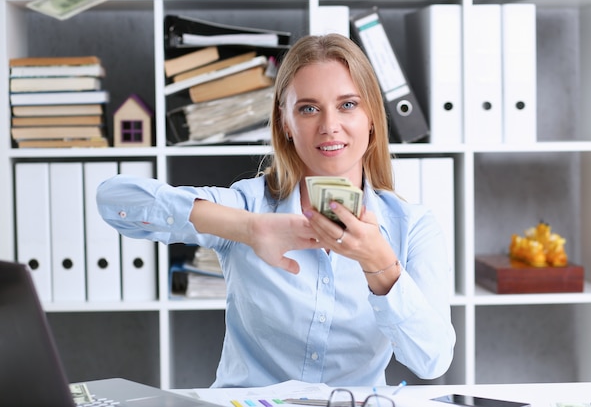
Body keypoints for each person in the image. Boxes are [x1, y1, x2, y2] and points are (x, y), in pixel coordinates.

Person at [97, 33, 455, 388]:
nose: (330, 126)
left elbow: (432, 360)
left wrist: (381, 267)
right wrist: (249, 228)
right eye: (309, 108)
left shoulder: (412, 227)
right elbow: (115, 200)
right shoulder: (250, 205)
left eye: (348, 105)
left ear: (372, 118)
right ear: (285, 123)